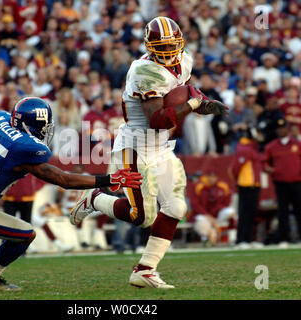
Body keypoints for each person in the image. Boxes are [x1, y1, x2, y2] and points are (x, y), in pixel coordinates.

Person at [0, 97, 142, 290]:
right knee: (26, 234)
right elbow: (62, 179)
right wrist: (109, 179)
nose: (46, 130)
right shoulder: (26, 148)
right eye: (44, 126)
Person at [69, 17, 228, 289]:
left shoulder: (184, 59)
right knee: (142, 217)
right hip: (135, 147)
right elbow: (159, 119)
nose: (167, 52)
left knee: (176, 206)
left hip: (162, 146)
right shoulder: (144, 71)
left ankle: (144, 269)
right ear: (149, 46)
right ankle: (95, 200)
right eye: (161, 47)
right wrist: (193, 102)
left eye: (171, 46)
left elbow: (186, 92)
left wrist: (204, 102)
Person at [262, 118, 301, 248]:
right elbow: (264, 162)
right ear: (277, 131)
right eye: (279, 128)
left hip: (296, 181)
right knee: (282, 212)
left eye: (283, 128)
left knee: (300, 211)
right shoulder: (271, 146)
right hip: (280, 182)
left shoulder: (297, 144)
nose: (281, 130)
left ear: (287, 129)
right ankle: (284, 239)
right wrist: (268, 169)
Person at [231, 128, 262, 249]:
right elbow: (236, 167)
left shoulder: (252, 147)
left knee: (252, 213)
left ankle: (249, 239)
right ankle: (241, 239)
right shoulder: (245, 148)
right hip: (246, 184)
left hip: (254, 184)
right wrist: (239, 180)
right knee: (244, 213)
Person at [190, 170, 236, 246]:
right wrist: (208, 216)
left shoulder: (222, 186)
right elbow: (195, 204)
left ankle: (232, 238)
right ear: (206, 177)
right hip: (204, 215)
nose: (212, 179)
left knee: (231, 212)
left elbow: (226, 203)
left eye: (214, 177)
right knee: (200, 219)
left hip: (217, 215)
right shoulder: (199, 186)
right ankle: (205, 239)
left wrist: (216, 211)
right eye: (210, 176)